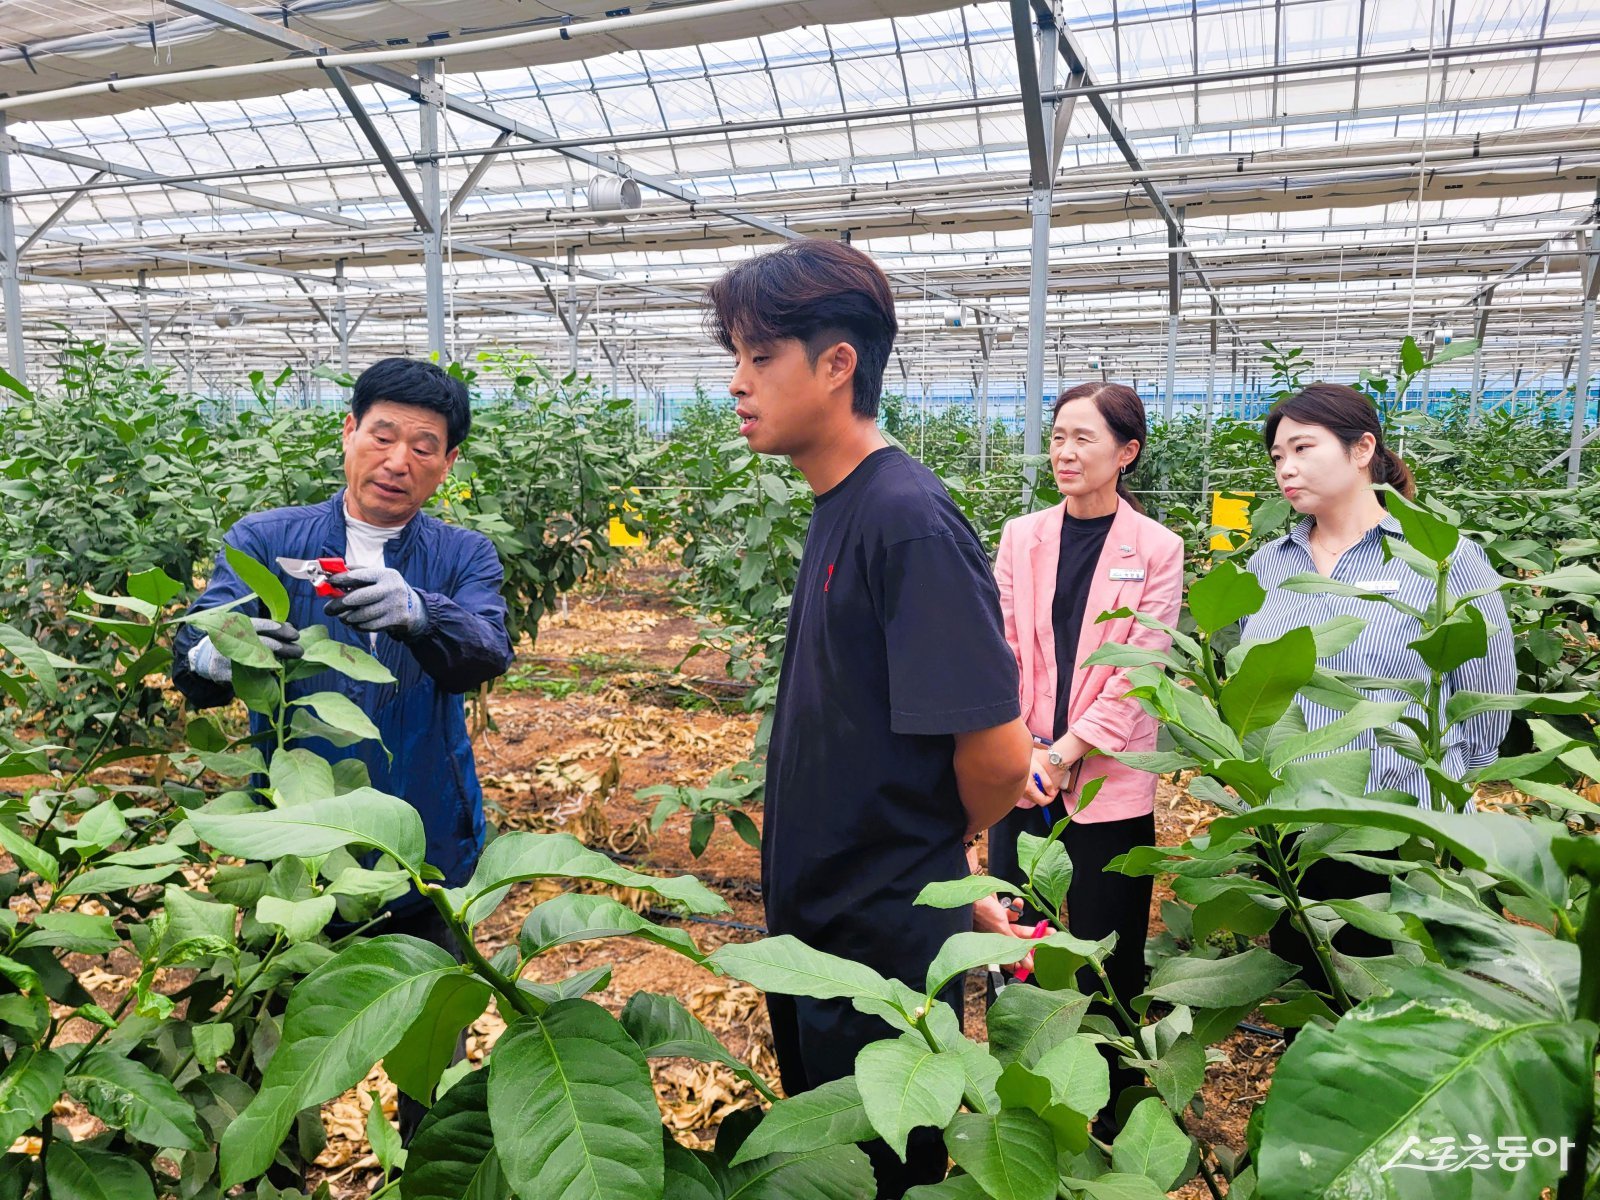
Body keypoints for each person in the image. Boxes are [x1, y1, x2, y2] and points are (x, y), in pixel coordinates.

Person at [706, 239, 1031, 1198]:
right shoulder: (841, 502)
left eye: (760, 357)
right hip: (827, 920)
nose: (737, 383)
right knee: (834, 1152)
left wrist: (928, 857)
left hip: (875, 938)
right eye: (736, 357)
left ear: (837, 363)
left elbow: (1001, 756)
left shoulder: (907, 520)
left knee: (877, 1164)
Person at [173, 358, 515, 1124]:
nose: (399, 461)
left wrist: (422, 612)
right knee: (281, 1049)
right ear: (348, 433)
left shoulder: (463, 557)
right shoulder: (266, 539)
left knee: (430, 1050)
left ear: (449, 463)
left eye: (424, 446)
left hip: (425, 841)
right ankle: (283, 1161)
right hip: (295, 844)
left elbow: (487, 652)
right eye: (383, 435)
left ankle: (426, 1167)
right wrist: (215, 651)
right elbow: (193, 658)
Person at [1242, 382, 1514, 983]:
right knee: (1311, 1002)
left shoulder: (1442, 559)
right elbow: (1250, 686)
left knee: (1395, 998)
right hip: (1294, 829)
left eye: (1303, 448)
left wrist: (1445, 791)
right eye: (1277, 456)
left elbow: (1486, 688)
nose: (1286, 468)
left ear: (1362, 449)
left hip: (1394, 827)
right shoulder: (1269, 565)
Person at [981, 382, 1183, 1126]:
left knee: (1110, 951)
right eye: (1058, 436)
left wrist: (1063, 754)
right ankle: (1024, 1092)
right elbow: (998, 648)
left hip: (1102, 784)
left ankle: (1112, 1116)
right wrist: (1020, 749)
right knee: (1015, 936)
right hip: (1022, 774)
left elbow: (1141, 669)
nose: (1065, 452)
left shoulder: (1156, 549)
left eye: (1083, 439)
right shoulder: (1021, 535)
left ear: (1126, 453)